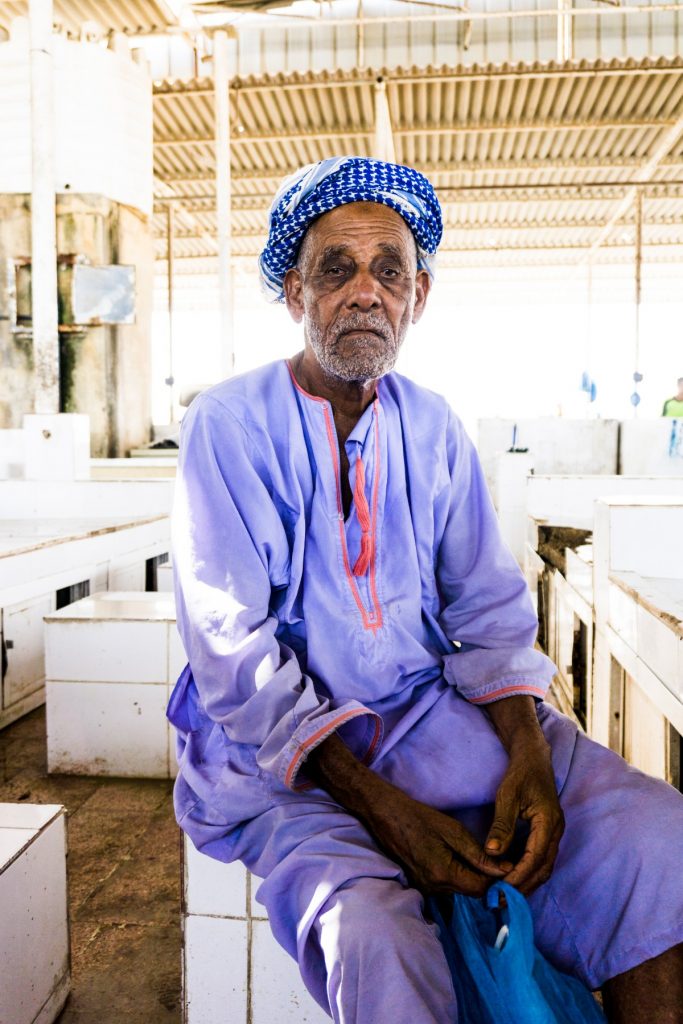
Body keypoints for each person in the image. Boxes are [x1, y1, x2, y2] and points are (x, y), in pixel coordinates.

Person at [168, 157, 683, 1024]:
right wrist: (387, 815)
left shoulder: (433, 425)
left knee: (652, 838)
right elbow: (232, 650)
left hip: (432, 716)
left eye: (389, 269)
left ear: (419, 295)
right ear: (294, 291)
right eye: (336, 267)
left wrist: (527, 755)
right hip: (283, 761)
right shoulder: (228, 423)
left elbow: (484, 607)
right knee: (373, 936)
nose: (365, 291)